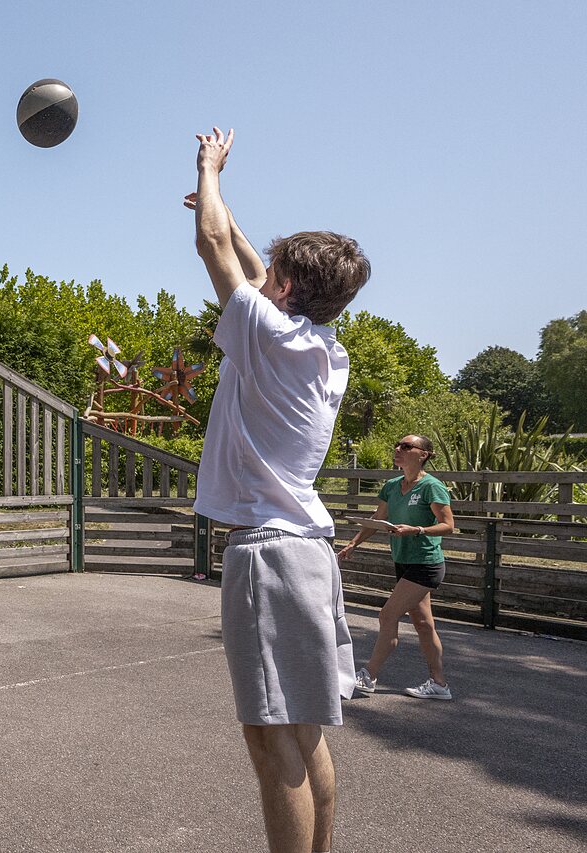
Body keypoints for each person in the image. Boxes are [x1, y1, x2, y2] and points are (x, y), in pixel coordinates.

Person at [188, 127, 370, 853]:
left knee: (271, 744)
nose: (262, 276)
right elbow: (254, 265)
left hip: (266, 554)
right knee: (304, 731)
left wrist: (209, 174)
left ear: (288, 290)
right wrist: (224, 210)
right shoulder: (326, 349)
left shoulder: (266, 333)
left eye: (275, 274)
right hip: (308, 553)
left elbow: (213, 250)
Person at [337, 435, 455, 700]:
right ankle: (439, 685)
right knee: (424, 624)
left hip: (426, 564)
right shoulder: (391, 486)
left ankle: (368, 676)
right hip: (403, 562)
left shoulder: (431, 487)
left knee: (387, 616)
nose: (398, 449)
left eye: (406, 447)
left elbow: (448, 525)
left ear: (423, 454)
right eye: (397, 445)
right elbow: (378, 519)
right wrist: (354, 543)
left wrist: (417, 530)